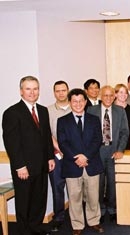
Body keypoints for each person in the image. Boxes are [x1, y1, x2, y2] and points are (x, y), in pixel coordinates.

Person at [2, 76, 55, 235]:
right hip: (23, 168)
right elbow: (12, 143)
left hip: (41, 165)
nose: (32, 92)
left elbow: (46, 137)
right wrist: (20, 166)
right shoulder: (12, 112)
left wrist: (50, 157)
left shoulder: (43, 110)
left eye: (35, 89)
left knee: (39, 200)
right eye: (28, 89)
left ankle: (36, 228)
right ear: (21, 91)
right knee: (24, 201)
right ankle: (24, 232)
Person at [57, 88, 104, 235]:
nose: (78, 104)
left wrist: (86, 156)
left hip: (91, 163)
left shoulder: (94, 119)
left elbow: (98, 140)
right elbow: (62, 143)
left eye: (80, 101)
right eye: (74, 101)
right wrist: (76, 157)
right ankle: (77, 224)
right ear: (70, 102)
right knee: (74, 196)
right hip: (72, 164)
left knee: (93, 196)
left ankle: (94, 221)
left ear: (85, 102)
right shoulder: (62, 121)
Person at [87, 85, 129, 223]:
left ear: (114, 96)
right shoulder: (91, 111)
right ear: (100, 96)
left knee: (112, 182)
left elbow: (124, 132)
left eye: (111, 95)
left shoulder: (120, 111)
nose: (108, 98)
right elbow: (88, 133)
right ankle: (99, 209)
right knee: (97, 184)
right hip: (97, 151)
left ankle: (112, 209)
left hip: (113, 150)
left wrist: (120, 150)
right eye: (105, 95)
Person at [47, 80, 71, 232]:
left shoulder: (77, 106)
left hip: (75, 155)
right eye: (58, 91)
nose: (61, 93)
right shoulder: (47, 111)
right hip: (57, 154)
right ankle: (59, 217)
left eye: (64, 90)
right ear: (54, 92)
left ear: (68, 91)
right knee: (57, 186)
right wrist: (59, 149)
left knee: (77, 187)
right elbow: (47, 133)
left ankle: (79, 216)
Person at [114, 84, 130, 150]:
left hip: (128, 145)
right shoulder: (110, 108)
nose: (124, 95)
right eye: (121, 92)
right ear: (115, 94)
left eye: (126, 93)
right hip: (112, 146)